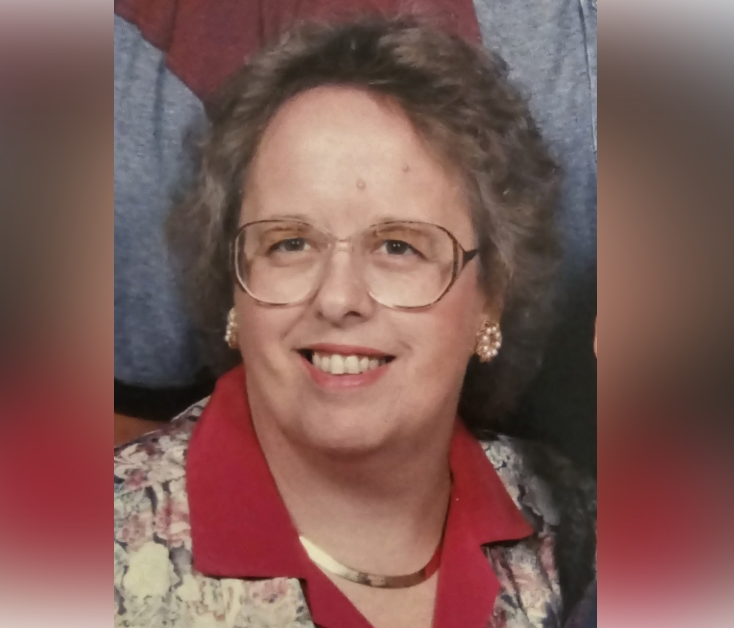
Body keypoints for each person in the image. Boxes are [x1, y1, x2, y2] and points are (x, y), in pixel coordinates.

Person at [114, 17, 594, 628]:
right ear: (233, 283)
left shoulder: (579, 530)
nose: (338, 298)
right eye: (289, 243)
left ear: (491, 298)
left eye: (399, 246)